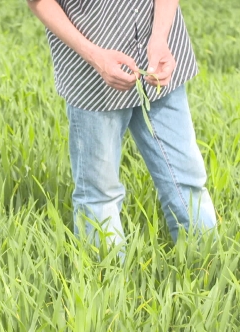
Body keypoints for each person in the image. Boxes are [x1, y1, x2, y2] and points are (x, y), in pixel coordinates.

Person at [26, 0, 217, 256]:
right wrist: (95, 56)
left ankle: (209, 271)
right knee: (99, 195)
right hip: (92, 76)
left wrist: (160, 37)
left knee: (187, 179)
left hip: (160, 65)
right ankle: (109, 287)